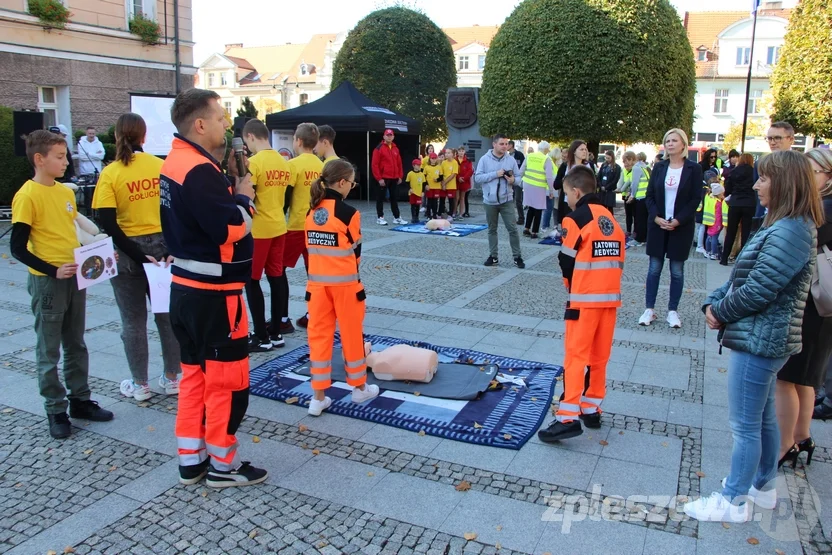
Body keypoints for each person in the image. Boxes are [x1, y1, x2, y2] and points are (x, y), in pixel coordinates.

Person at [684, 150, 824, 522]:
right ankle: (762, 488)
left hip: (762, 339)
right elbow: (740, 277)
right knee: (762, 419)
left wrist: (718, 312)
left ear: (784, 184)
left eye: (764, 178)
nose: (757, 184)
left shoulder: (792, 228)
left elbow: (760, 290)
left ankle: (732, 501)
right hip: (762, 336)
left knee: (745, 426)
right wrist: (714, 300)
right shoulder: (783, 223)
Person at [160, 88, 267, 488]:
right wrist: (244, 199)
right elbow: (229, 228)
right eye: (221, 117)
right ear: (200, 124)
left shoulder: (176, 160)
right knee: (227, 382)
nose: (226, 123)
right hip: (214, 294)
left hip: (186, 289)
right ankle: (223, 464)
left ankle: (192, 458)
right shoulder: (199, 170)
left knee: (194, 376)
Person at [10, 130, 114, 439]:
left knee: (76, 342)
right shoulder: (27, 195)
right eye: (59, 156)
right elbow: (18, 247)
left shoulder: (65, 193)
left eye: (65, 155)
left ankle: (80, 400)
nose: (66, 161)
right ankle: (55, 409)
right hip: (49, 284)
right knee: (49, 348)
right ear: (39, 159)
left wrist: (99, 256)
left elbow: (74, 233)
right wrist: (53, 270)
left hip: (75, 279)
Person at [91, 113, 181, 401]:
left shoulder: (111, 172)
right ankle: (172, 377)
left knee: (132, 321)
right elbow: (176, 210)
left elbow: (107, 221)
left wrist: (137, 255)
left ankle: (140, 384)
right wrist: (168, 249)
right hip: (163, 247)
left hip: (128, 250)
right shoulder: (161, 165)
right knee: (167, 317)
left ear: (116, 137)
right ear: (144, 137)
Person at [538, 165, 625, 442]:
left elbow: (566, 259)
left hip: (583, 300)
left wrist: (571, 286)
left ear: (576, 191)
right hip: (609, 300)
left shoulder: (575, 219)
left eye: (566, 194)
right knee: (599, 359)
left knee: (576, 358)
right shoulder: (609, 218)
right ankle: (591, 408)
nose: (566, 199)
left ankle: (566, 417)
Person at [304, 159, 380, 416]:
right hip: (346, 286)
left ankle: (318, 397)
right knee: (351, 336)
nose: (352, 187)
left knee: (318, 338)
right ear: (342, 183)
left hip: (316, 287)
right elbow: (356, 252)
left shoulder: (311, 212)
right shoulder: (350, 213)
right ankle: (359, 388)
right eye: (352, 183)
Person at [775, 148, 832, 462]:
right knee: (806, 376)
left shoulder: (821, 209)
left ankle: (786, 445)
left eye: (814, 171)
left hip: (811, 302)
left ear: (828, 175)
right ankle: (802, 436)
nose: (807, 177)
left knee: (787, 377)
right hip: (821, 303)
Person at [639, 129, 703, 329]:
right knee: (654, 268)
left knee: (677, 270)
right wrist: (656, 217)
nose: (670, 143)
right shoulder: (659, 167)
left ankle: (672, 311)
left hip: (680, 227)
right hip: (658, 225)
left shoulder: (694, 169)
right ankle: (649, 309)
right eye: (667, 140)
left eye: (674, 140)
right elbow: (649, 195)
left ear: (683, 144)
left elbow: (695, 198)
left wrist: (678, 220)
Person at [242, 119, 290, 351]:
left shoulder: (254, 162)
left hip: (259, 230)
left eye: (246, 142)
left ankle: (261, 336)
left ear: (251, 136)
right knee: (276, 277)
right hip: (279, 226)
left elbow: (247, 197)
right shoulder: (282, 162)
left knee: (252, 281)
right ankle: (276, 333)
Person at [285, 123, 323, 332]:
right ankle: (314, 314)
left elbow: (287, 196)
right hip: (317, 227)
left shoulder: (293, 165)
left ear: (298, 141)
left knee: (277, 271)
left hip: (296, 226)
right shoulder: (322, 166)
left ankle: (281, 317)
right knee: (315, 274)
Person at [475, 134, 524, 268]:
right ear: (494, 144)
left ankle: (517, 257)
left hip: (506, 200)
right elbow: (477, 178)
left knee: (513, 229)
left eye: (506, 144)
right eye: (502, 144)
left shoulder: (511, 160)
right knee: (492, 229)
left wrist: (513, 180)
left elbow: (519, 178)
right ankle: (493, 256)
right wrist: (495, 174)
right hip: (489, 201)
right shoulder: (484, 159)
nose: (505, 146)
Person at [720, 153, 756, 266]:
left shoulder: (734, 171)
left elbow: (728, 189)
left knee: (731, 231)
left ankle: (724, 258)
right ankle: (742, 259)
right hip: (749, 203)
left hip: (735, 203)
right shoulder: (754, 172)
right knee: (746, 232)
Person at [756, 122, 796, 218]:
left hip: (790, 218)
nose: (773, 142)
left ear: (791, 139)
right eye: (769, 138)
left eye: (777, 138)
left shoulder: (800, 165)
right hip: (764, 218)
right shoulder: (760, 163)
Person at [519, 141, 555, 239]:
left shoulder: (529, 156)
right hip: (539, 186)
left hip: (528, 184)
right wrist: (551, 191)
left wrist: (519, 182)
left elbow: (521, 170)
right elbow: (549, 177)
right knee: (538, 208)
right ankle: (534, 231)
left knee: (531, 207)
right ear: (546, 149)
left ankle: (526, 228)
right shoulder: (546, 159)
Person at [371, 129, 406, 226]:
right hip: (384, 178)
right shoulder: (379, 148)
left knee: (394, 198)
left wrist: (400, 176)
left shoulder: (395, 148)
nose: (389, 137)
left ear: (393, 136)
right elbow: (375, 165)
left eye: (391, 135)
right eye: (387, 135)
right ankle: (380, 217)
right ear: (384, 136)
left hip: (394, 177)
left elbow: (399, 163)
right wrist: (379, 178)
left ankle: (397, 217)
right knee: (380, 198)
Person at [555, 140, 594, 226]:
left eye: (585, 149)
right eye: (581, 149)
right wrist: (565, 180)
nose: (584, 152)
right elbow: (556, 185)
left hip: (584, 203)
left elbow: (594, 184)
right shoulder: (565, 166)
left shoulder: (589, 166)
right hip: (567, 203)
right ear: (574, 151)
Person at [630, 153, 652, 246]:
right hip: (646, 196)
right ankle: (645, 238)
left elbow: (635, 183)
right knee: (644, 218)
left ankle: (639, 239)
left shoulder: (636, 168)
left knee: (639, 219)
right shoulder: (645, 167)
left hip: (639, 196)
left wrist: (632, 195)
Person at [703, 182, 726, 261]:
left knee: (709, 236)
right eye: (722, 193)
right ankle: (714, 253)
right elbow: (719, 214)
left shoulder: (709, 197)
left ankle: (708, 251)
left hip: (709, 221)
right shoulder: (718, 203)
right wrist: (720, 224)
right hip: (716, 222)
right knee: (714, 238)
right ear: (718, 194)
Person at [542, 147, 562, 232]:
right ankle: (544, 227)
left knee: (548, 208)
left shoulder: (550, 161)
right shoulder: (551, 162)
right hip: (549, 189)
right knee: (548, 209)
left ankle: (545, 226)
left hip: (549, 188)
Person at [617, 151, 637, 238]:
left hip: (634, 196)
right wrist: (619, 188)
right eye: (624, 162)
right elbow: (621, 182)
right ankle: (628, 231)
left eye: (626, 162)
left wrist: (622, 188)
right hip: (626, 195)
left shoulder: (636, 169)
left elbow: (633, 183)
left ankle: (636, 231)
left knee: (635, 215)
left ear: (632, 160)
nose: (625, 164)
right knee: (628, 214)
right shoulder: (624, 170)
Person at [508, 140, 526, 224]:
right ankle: (511, 218)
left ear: (511, 145)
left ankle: (521, 218)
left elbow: (523, 166)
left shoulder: (519, 155)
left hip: (517, 180)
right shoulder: (507, 156)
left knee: (518, 200)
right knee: (509, 200)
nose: (505, 146)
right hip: (509, 180)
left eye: (507, 144)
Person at [405, 158, 426, 223]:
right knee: (413, 205)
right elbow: (407, 182)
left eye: (420, 165)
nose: (419, 166)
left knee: (417, 206)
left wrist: (422, 192)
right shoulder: (410, 173)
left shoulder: (422, 174)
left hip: (419, 193)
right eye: (417, 165)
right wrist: (410, 188)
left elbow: (423, 183)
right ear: (413, 165)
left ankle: (417, 217)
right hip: (412, 193)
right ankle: (413, 217)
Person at [440, 148, 459, 217]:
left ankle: (451, 214)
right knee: (442, 199)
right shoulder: (443, 162)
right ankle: (441, 213)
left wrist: (444, 183)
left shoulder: (455, 162)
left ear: (452, 154)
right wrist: (443, 184)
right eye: (446, 153)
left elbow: (453, 174)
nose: (446, 154)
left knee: (451, 200)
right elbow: (441, 174)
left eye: (448, 153)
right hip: (443, 185)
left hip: (451, 185)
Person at [424, 153, 443, 219]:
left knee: (435, 202)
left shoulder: (439, 167)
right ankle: (428, 214)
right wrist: (426, 184)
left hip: (437, 187)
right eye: (432, 158)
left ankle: (435, 214)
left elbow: (441, 177)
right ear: (430, 159)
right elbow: (424, 177)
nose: (433, 160)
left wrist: (437, 180)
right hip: (429, 187)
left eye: (435, 158)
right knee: (429, 201)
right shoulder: (426, 167)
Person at [456, 146, 473, 218]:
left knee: (462, 198)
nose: (461, 153)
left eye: (462, 151)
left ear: (464, 152)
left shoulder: (468, 161)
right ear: (457, 152)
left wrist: (464, 178)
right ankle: (454, 212)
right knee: (456, 198)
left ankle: (461, 213)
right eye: (459, 151)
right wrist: (458, 177)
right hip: (456, 181)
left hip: (464, 182)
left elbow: (470, 171)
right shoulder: (454, 160)